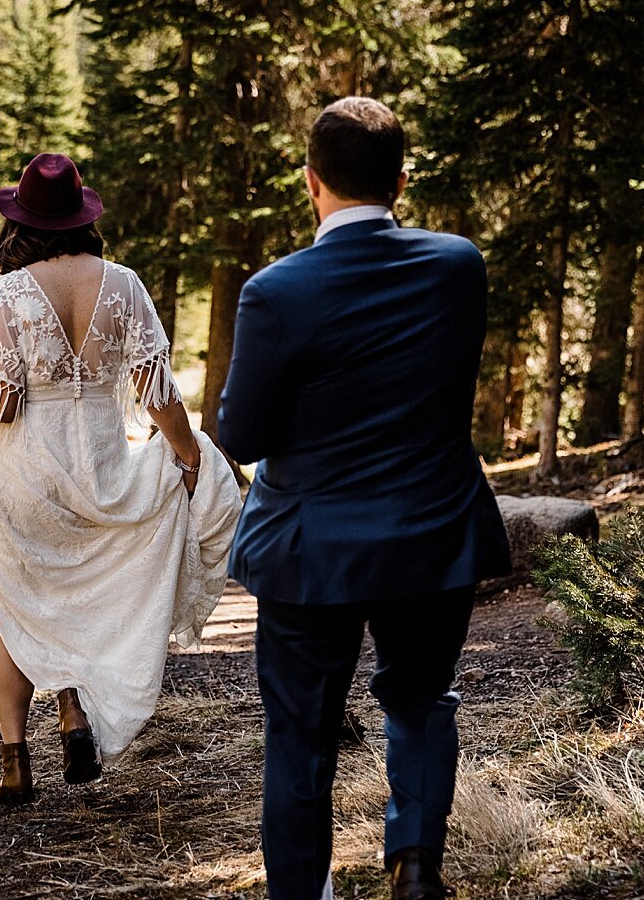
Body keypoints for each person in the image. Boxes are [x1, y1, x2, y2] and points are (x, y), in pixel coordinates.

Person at [216, 98, 512, 900]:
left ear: (310, 184)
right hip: (432, 532)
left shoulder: (275, 291)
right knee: (422, 700)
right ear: (402, 182)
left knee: (300, 733)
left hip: (312, 549)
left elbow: (241, 435)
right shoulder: (459, 265)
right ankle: (414, 865)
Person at [0, 152, 241, 805]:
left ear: (22, 221)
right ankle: (74, 712)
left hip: (26, 475)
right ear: (82, 216)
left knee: (15, 605)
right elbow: (158, 391)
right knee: (83, 599)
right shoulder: (124, 284)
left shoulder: (7, 293)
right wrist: (187, 457)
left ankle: (15, 759)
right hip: (103, 471)